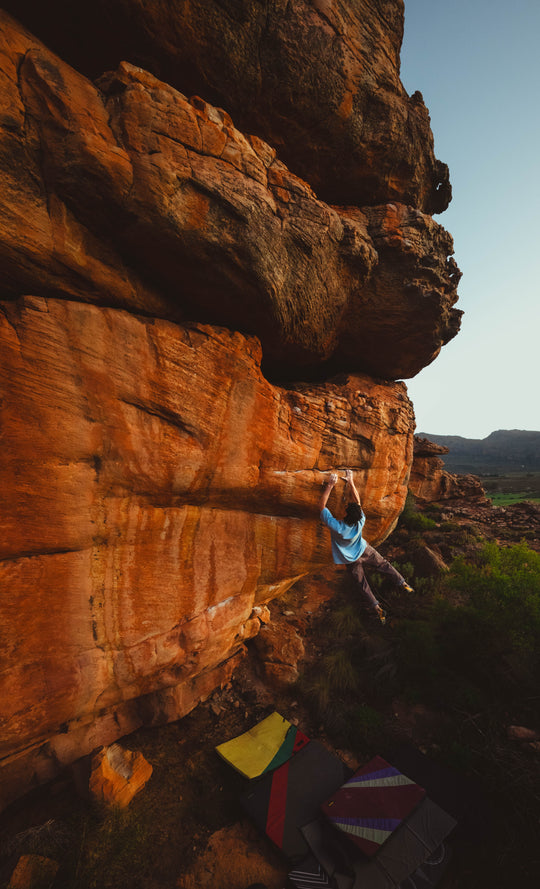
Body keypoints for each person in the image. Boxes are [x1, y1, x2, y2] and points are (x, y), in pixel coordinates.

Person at [319, 469, 413, 623]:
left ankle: (376, 606)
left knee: (362, 584)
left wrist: (330, 485)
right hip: (364, 550)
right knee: (384, 565)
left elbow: (322, 506)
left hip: (350, 559)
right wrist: (351, 481)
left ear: (346, 514)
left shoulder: (336, 526)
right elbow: (358, 502)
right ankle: (403, 583)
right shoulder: (360, 520)